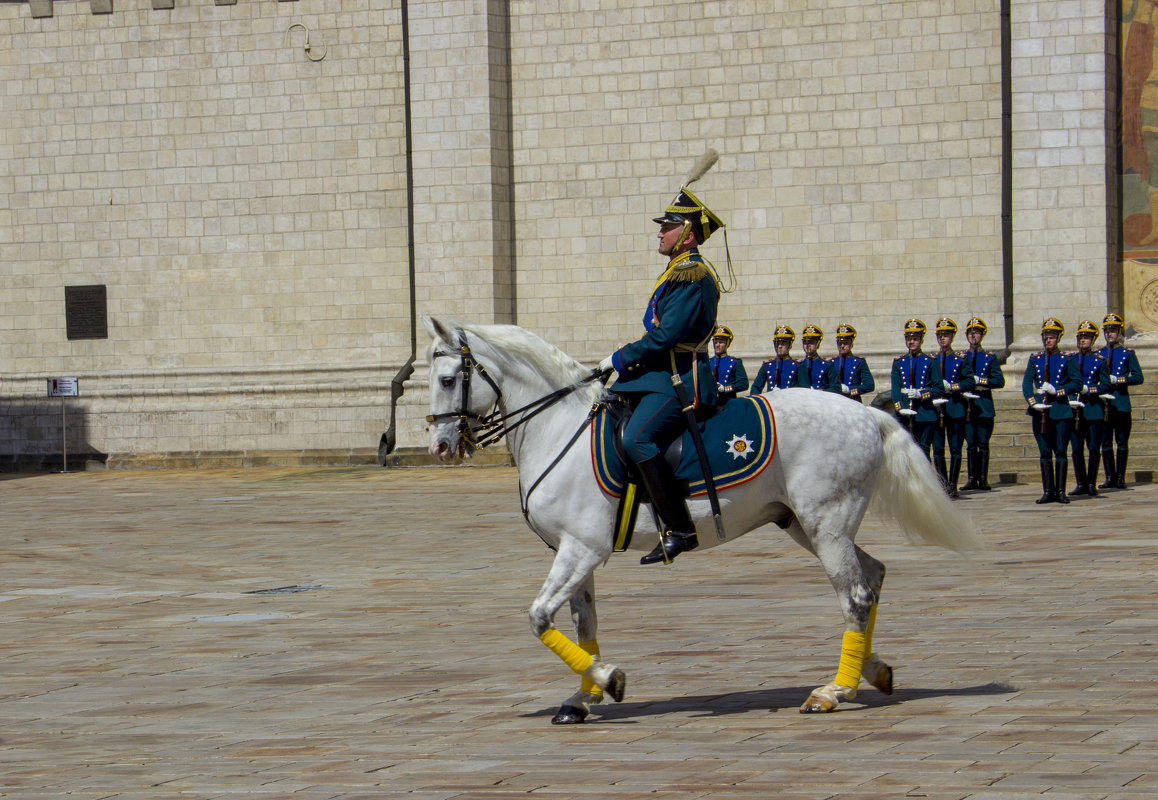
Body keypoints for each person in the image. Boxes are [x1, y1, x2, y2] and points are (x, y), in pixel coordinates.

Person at [599, 177, 725, 565]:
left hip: (682, 378)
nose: (660, 231)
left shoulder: (693, 274)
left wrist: (619, 358)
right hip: (663, 372)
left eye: (668, 226)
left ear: (687, 234)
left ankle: (679, 528)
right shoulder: (677, 271)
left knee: (638, 437)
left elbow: (669, 334)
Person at [1022, 317, 1081, 504]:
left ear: (1059, 338)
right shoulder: (1035, 359)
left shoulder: (1066, 359)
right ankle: (1048, 491)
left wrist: (1058, 391)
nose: (1049, 340)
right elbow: (1026, 383)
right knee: (1045, 451)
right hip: (1040, 412)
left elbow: (1077, 383)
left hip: (1060, 410)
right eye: (1046, 336)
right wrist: (1032, 402)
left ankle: (1060, 491)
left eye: (1052, 336)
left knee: (1061, 451)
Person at [1097, 313, 1146, 489]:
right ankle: (1110, 477)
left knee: (1122, 441)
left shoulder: (1127, 354)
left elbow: (1138, 377)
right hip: (1103, 404)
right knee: (1105, 442)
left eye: (1114, 330)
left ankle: (1120, 478)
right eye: (1108, 330)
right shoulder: (1099, 354)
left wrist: (1119, 380)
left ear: (1119, 332)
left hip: (1121, 403)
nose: (1110, 334)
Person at [931, 318, 975, 497]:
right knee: (939, 449)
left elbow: (969, 380)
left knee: (955, 448)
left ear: (952, 337)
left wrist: (954, 387)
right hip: (937, 408)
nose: (943, 339)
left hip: (955, 406)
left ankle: (953, 484)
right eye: (940, 336)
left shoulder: (960, 360)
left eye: (946, 335)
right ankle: (942, 485)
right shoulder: (932, 360)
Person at [1067, 320, 1112, 497]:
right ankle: (1081, 483)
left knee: (1093, 447)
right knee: (1076, 448)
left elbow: (1106, 385)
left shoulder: (1099, 361)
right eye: (1081, 337)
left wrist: (1089, 389)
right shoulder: (1071, 359)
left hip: (1093, 409)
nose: (1083, 340)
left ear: (1093, 340)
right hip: (1075, 409)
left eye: (1087, 337)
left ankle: (1091, 483)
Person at [960, 317, 1005, 491]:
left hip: (983, 405)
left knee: (983, 443)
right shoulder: (962, 357)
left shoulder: (989, 358)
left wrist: (981, 381)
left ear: (982, 335)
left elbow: (999, 380)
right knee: (971, 443)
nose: (973, 336)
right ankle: (972, 478)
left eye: (977, 333)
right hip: (967, 406)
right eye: (971, 333)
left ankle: (983, 479)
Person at [890, 318, 945, 460]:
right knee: (903, 453)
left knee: (923, 452)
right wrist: (899, 407)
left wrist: (921, 394)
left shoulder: (930, 362)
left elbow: (939, 389)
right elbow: (896, 389)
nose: (911, 342)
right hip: (904, 414)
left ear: (921, 340)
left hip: (924, 413)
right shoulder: (898, 362)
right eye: (909, 338)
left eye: (915, 339)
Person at [750, 325, 807, 393]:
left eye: (783, 343)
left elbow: (805, 390)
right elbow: (756, 387)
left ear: (790, 345)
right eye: (777, 343)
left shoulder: (798, 366)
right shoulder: (767, 365)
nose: (779, 346)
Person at [830, 323, 875, 402]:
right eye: (840, 343)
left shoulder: (859, 362)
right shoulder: (831, 362)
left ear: (851, 344)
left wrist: (849, 390)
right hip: (835, 401)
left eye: (846, 343)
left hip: (852, 400)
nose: (842, 346)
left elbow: (869, 385)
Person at [708, 325, 748, 405]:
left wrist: (725, 388)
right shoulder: (708, 362)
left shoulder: (734, 362)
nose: (717, 345)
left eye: (721, 342)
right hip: (711, 403)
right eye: (715, 342)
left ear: (727, 344)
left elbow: (743, 384)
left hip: (728, 402)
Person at [799, 324, 840, 392]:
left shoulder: (827, 365)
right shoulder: (799, 365)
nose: (808, 345)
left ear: (818, 344)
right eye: (805, 342)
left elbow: (836, 388)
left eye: (811, 342)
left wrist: (822, 391)